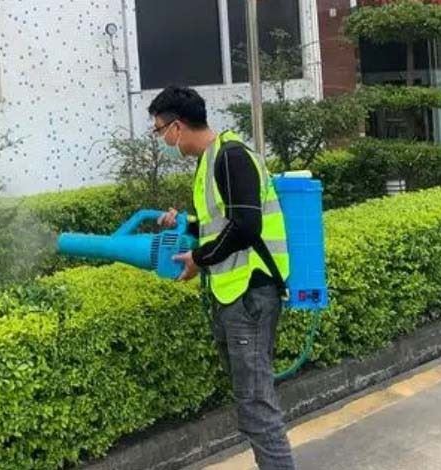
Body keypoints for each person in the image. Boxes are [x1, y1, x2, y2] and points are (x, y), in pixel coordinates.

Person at [149, 86, 295, 470]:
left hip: (250, 293)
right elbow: (214, 225)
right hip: (234, 294)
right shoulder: (210, 161)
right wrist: (183, 225)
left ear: (177, 126)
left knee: (256, 407)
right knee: (252, 402)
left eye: (159, 130)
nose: (162, 140)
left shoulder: (231, 157)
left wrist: (199, 258)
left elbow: (246, 226)